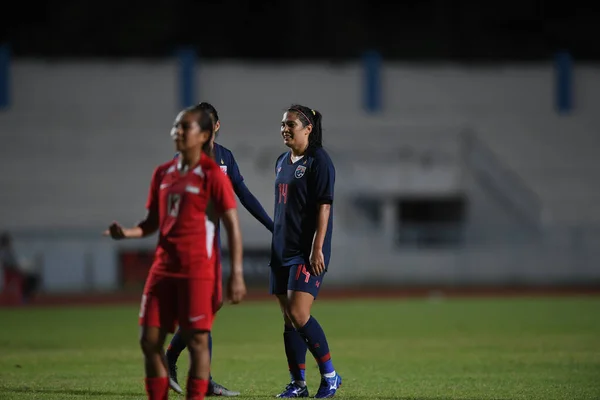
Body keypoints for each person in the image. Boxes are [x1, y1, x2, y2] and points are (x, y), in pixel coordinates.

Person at [104, 104, 247, 400]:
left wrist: (236, 274)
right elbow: (151, 223)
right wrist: (126, 233)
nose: (178, 132)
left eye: (186, 127)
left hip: (197, 269)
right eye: (176, 126)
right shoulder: (163, 173)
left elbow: (232, 224)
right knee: (149, 341)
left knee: (197, 341)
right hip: (163, 268)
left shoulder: (213, 175)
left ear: (204, 134)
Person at [166, 102, 274, 396]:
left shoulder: (225, 157)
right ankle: (201, 379)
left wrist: (271, 226)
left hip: (212, 243)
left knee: (212, 305)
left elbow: (244, 195)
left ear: (216, 125)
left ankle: (173, 359)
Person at [270, 105, 342, 398]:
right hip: (281, 248)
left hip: (306, 250)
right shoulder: (280, 161)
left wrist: (317, 247)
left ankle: (330, 376)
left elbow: (324, 206)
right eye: (282, 124)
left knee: (300, 313)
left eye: (290, 124)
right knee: (289, 318)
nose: (285, 129)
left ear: (308, 128)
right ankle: (298, 383)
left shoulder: (319, 160)